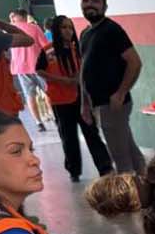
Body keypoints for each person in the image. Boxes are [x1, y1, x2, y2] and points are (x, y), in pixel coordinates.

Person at [78, 0, 145, 175]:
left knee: (121, 158)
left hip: (113, 104)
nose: (90, 4)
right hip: (98, 103)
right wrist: (84, 103)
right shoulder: (85, 34)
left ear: (104, 6)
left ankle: (129, 193)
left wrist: (120, 93)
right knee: (129, 151)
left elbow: (135, 62)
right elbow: (84, 70)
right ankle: (147, 186)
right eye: (86, 0)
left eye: (95, 1)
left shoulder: (111, 30)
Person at [37, 14, 112, 181]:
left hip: (81, 99)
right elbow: (39, 70)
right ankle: (74, 170)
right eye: (64, 27)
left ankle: (105, 166)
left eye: (70, 27)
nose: (68, 31)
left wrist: (80, 78)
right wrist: (61, 80)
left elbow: (87, 68)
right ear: (56, 30)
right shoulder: (48, 50)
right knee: (68, 137)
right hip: (60, 101)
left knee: (92, 133)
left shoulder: (77, 48)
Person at [7, 9, 50, 132]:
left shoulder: (9, 30)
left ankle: (38, 122)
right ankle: (55, 115)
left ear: (17, 17)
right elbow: (45, 45)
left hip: (21, 68)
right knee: (48, 92)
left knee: (29, 95)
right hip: (38, 66)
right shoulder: (34, 28)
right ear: (25, 17)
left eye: (13, 17)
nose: (11, 19)